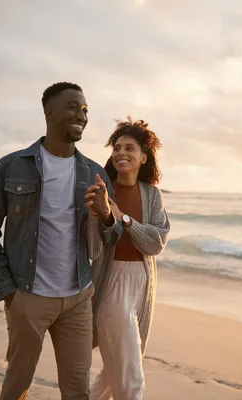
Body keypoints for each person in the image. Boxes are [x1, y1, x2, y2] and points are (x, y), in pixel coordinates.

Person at [0, 82, 122, 400]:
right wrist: (9, 292)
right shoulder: (11, 166)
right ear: (49, 113)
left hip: (79, 299)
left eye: (84, 110)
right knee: (17, 385)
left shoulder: (94, 172)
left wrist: (106, 214)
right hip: (29, 296)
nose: (80, 114)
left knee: (77, 389)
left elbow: (113, 238)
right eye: (72, 107)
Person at [86, 118, 170, 400]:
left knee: (114, 373)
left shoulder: (153, 195)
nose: (121, 152)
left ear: (143, 157)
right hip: (111, 282)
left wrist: (123, 218)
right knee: (130, 374)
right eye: (117, 147)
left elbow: (156, 243)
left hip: (143, 285)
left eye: (129, 148)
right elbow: (92, 243)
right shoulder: (102, 191)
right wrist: (105, 214)